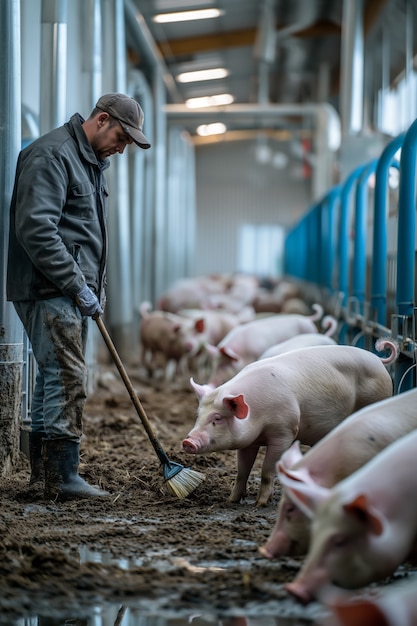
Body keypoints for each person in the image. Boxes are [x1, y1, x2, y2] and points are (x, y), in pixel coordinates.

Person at [6, 93, 151, 500]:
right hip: (49, 286)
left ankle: (45, 478)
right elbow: (36, 228)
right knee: (67, 378)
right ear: (101, 120)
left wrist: (92, 288)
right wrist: (77, 283)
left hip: (66, 288)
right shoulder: (53, 155)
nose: (121, 149)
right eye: (121, 137)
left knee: (57, 378)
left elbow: (81, 233)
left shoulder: (87, 162)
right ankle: (61, 478)